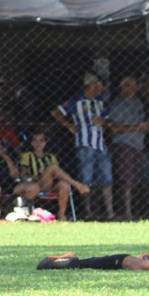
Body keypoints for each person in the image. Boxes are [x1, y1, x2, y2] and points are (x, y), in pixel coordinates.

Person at [52, 72, 114, 219]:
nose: (103, 87)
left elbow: (107, 121)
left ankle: (110, 213)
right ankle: (88, 213)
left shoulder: (100, 102)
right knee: (86, 179)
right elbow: (56, 112)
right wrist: (69, 125)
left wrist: (103, 122)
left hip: (100, 145)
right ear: (92, 84)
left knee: (107, 180)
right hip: (84, 144)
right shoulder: (76, 100)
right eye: (101, 83)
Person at [17, 131, 90, 222]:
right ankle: (78, 185)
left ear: (46, 142)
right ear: (31, 143)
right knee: (52, 167)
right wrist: (36, 177)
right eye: (35, 140)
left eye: (42, 140)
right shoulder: (27, 156)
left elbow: (57, 173)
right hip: (36, 184)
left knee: (63, 184)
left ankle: (61, 215)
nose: (38, 143)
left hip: (49, 183)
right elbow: (23, 174)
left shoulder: (50, 157)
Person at [108, 76, 149, 220]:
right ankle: (127, 212)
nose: (127, 87)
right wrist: (137, 127)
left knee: (138, 180)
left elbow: (142, 127)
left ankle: (139, 209)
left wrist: (147, 126)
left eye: (130, 84)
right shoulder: (117, 104)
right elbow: (114, 128)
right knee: (127, 181)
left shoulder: (139, 102)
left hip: (139, 146)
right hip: (123, 145)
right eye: (125, 84)